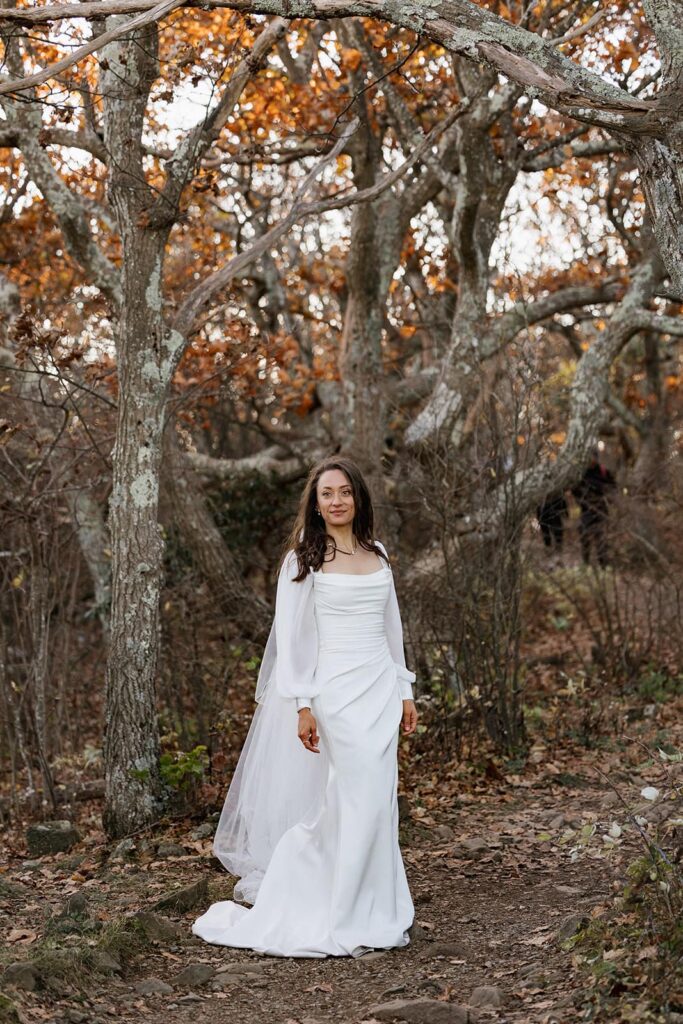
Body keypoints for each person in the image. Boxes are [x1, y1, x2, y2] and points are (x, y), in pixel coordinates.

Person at [191, 455, 418, 958]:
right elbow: (291, 641)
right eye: (326, 494)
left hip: (380, 688)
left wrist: (405, 690)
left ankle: (376, 907)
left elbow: (391, 628)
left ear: (358, 497)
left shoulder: (377, 553)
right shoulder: (303, 559)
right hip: (334, 692)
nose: (336, 501)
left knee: (377, 800)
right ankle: (335, 907)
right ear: (315, 505)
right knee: (353, 794)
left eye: (344, 492)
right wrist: (302, 704)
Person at [572, 449, 616, 567]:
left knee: (601, 539)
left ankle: (603, 565)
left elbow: (613, 489)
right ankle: (585, 563)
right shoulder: (581, 473)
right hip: (585, 510)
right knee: (584, 537)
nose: (591, 460)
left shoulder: (604, 472)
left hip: (601, 510)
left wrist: (606, 498)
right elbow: (574, 489)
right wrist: (581, 500)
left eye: (593, 457)